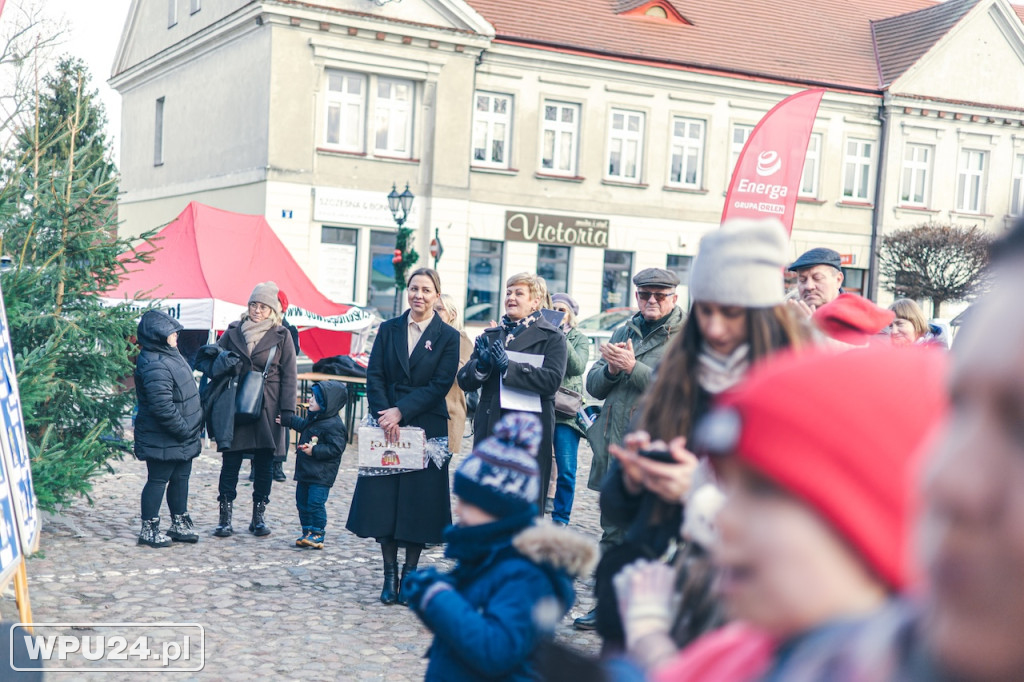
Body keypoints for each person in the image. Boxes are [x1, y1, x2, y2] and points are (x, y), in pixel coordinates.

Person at [650, 344, 949, 682]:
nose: (722, 519)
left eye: (763, 490)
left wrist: (646, 636)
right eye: (727, 489)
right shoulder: (727, 658)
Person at [584, 219, 810, 643]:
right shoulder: (680, 379)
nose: (716, 327)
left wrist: (699, 494)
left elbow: (806, 523)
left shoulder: (794, 389)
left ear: (764, 318)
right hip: (668, 595)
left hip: (752, 609)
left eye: (733, 312)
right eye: (707, 309)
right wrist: (633, 481)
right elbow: (620, 509)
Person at [402, 413, 598, 681]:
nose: (458, 509)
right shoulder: (487, 552)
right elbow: (464, 623)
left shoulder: (527, 574)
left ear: (499, 509)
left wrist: (436, 596)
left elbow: (496, 650)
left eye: (469, 503)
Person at [574, 266, 684, 631]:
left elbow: (678, 392)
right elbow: (593, 385)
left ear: (674, 298)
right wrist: (610, 369)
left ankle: (645, 610)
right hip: (613, 447)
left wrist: (633, 367)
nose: (651, 301)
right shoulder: (625, 329)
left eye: (659, 295)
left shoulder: (686, 338)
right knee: (612, 533)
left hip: (655, 448)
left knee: (651, 535)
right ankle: (606, 604)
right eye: (644, 295)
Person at [346, 268, 460, 605]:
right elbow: (375, 374)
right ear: (406, 292)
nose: (419, 295)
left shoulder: (448, 336)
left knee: (417, 503)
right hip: (386, 424)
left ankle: (410, 573)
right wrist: (385, 413)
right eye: (414, 288)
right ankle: (389, 574)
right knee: (385, 500)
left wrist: (402, 412)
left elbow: (440, 384)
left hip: (426, 424)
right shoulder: (388, 328)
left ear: (436, 296)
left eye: (426, 290)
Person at [457, 272, 568, 513]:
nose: (511, 298)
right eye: (508, 292)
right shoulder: (492, 336)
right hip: (491, 430)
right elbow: (464, 381)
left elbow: (551, 381)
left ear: (535, 301)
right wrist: (481, 366)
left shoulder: (553, 337)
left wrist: (510, 367)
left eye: (519, 293)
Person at [213, 281, 298, 538]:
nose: (257, 310)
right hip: (236, 404)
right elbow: (215, 360)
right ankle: (225, 518)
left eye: (263, 306)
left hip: (268, 406)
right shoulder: (233, 331)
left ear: (272, 310)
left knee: (264, 464)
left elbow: (290, 376)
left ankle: (258, 517)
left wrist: (287, 411)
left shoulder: (282, 336)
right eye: (253, 305)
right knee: (231, 462)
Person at [133, 310, 204, 547]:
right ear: (158, 335)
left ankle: (179, 522)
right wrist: (184, 429)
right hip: (164, 434)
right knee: (158, 479)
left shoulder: (169, 354)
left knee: (181, 478)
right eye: (172, 333)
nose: (176, 336)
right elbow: (162, 406)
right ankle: (149, 528)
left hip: (183, 434)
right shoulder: (154, 362)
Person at [277, 380, 347, 549]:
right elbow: (303, 426)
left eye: (315, 398)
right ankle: (307, 531)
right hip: (305, 471)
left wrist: (314, 450)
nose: (310, 399)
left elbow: (336, 448)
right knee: (302, 502)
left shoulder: (334, 425)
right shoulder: (314, 418)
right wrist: (289, 420)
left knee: (315, 503)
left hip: (321, 474)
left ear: (327, 403)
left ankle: (318, 533)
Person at [550, 292, 589, 527]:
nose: (557, 313)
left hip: (566, 412)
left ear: (571, 315)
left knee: (566, 469)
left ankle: (561, 517)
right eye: (553, 308)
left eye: (561, 310)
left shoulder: (579, 338)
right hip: (542, 406)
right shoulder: (542, 333)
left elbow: (577, 367)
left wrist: (560, 336)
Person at [433, 293, 473, 455]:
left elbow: (459, 374)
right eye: (432, 309)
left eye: (440, 309)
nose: (434, 313)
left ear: (452, 314)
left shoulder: (461, 339)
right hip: (427, 411)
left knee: (437, 470)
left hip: (449, 413)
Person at [787, 247, 844, 314]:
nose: (809, 286)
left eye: (817, 278)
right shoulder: (788, 315)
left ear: (838, 280)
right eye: (802, 280)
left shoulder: (855, 316)